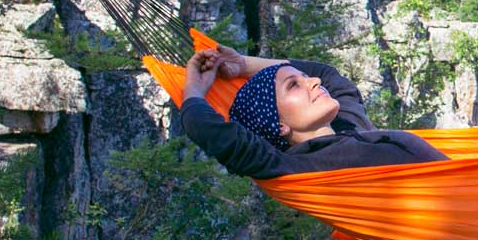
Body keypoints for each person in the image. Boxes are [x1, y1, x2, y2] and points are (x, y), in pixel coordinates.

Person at [179, 47, 449, 179]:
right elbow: (203, 126)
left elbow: (327, 75)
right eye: (294, 85)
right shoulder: (299, 168)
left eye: (305, 78)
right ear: (279, 125)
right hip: (472, 208)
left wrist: (244, 64)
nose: (314, 82)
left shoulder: (351, 126)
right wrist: (194, 88)